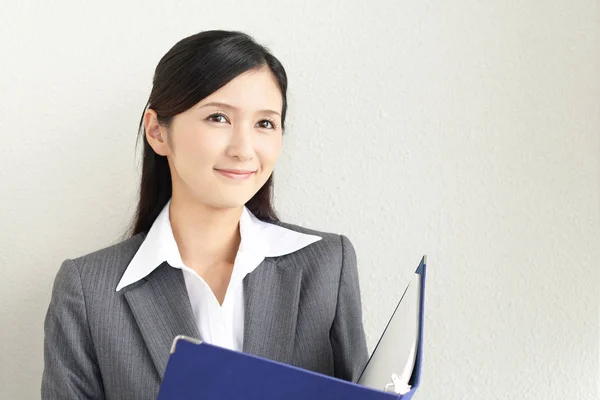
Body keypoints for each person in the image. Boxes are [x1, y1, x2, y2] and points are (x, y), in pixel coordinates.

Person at [42, 30, 368, 400]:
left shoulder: (327, 265)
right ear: (157, 131)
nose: (244, 150)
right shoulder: (89, 292)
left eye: (265, 123)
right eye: (218, 117)